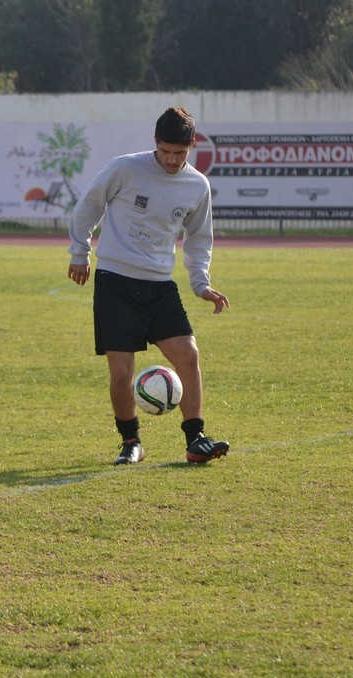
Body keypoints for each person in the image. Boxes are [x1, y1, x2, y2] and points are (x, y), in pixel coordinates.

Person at [68, 106, 231, 466]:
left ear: (192, 145)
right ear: (155, 141)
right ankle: (131, 443)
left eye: (180, 153)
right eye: (165, 151)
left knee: (188, 355)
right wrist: (80, 252)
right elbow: (88, 206)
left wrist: (201, 284)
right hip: (115, 282)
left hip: (159, 285)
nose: (171, 160)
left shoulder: (197, 185)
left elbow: (198, 239)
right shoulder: (124, 168)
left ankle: (196, 440)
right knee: (121, 372)